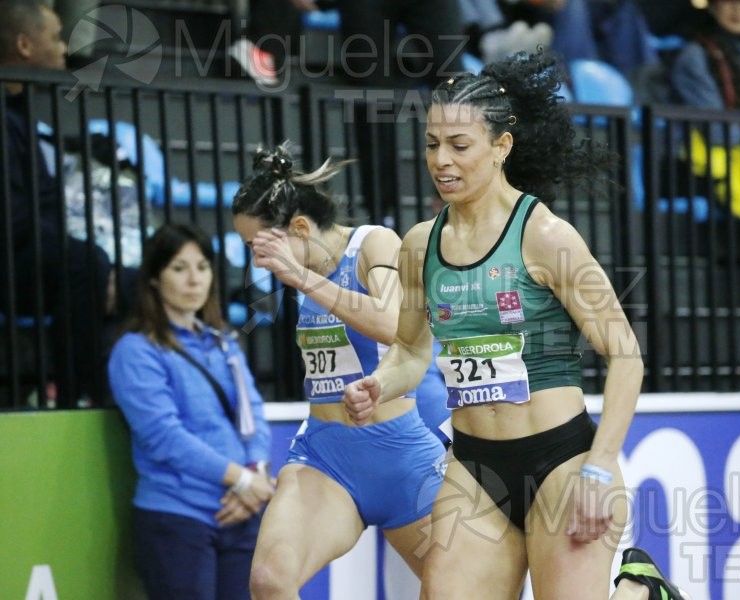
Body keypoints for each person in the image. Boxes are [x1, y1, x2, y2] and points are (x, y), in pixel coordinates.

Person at [343, 51, 688, 599]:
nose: (442, 161)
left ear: (502, 147)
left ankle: (640, 590)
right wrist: (380, 383)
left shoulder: (546, 236)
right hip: (475, 468)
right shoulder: (418, 245)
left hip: (562, 461)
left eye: (460, 147)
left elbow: (626, 355)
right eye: (433, 145)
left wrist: (599, 468)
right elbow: (411, 353)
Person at [230, 145, 448, 597]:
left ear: (301, 228)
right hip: (326, 457)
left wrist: (303, 278)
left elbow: (394, 326)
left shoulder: (374, 243)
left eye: (258, 246)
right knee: (269, 581)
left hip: (402, 457)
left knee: (462, 590)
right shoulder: (304, 270)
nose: (255, 261)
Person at [108, 223, 275, 600]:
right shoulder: (136, 350)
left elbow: (254, 414)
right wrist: (243, 481)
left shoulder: (223, 342)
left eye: (202, 267)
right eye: (179, 268)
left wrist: (255, 473)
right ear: (154, 278)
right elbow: (164, 437)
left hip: (240, 511)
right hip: (177, 518)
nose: (193, 280)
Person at [0, 0, 135, 406]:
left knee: (142, 279)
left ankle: (133, 391)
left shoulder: (18, 109)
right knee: (86, 262)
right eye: (56, 37)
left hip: (34, 255)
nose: (63, 48)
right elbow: (15, 218)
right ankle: (77, 394)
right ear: (25, 45)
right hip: (11, 262)